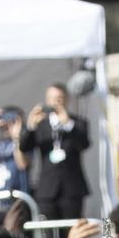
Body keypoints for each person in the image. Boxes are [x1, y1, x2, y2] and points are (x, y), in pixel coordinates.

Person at [22, 83, 91, 219]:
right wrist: (30, 126)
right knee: (49, 231)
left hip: (72, 187)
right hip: (47, 188)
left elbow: (85, 144)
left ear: (67, 99)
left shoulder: (78, 123)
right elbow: (24, 147)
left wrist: (67, 124)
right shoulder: (41, 125)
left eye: (59, 98)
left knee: (71, 228)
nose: (56, 102)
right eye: (52, 98)